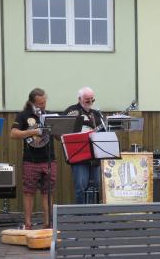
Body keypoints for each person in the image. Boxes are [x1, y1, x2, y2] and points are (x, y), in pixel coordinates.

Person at [11, 88, 57, 230]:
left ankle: (47, 225)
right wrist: (32, 131)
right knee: (28, 192)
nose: (43, 106)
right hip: (31, 160)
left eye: (44, 102)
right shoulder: (23, 115)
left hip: (49, 159)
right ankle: (28, 224)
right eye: (39, 103)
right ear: (32, 102)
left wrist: (60, 129)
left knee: (47, 193)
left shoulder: (50, 115)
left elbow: (59, 136)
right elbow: (13, 134)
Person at [64, 87, 105, 204]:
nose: (90, 102)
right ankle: (82, 216)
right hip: (79, 156)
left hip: (95, 156)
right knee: (81, 188)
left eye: (92, 100)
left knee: (96, 187)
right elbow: (62, 130)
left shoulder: (96, 114)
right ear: (80, 99)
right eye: (87, 100)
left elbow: (103, 133)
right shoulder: (71, 111)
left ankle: (95, 217)